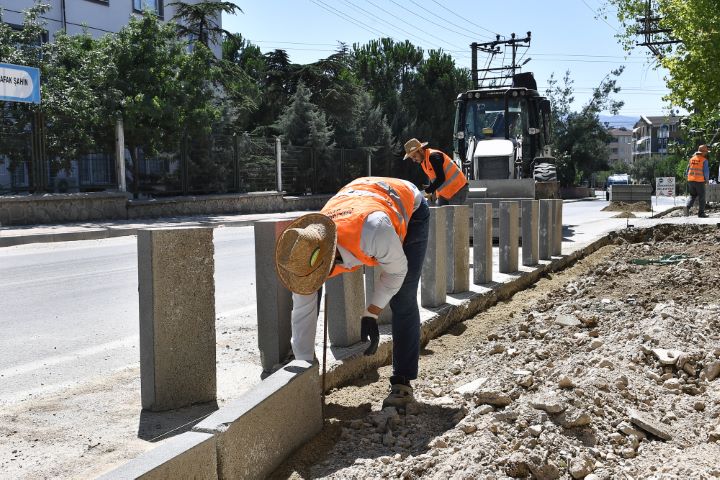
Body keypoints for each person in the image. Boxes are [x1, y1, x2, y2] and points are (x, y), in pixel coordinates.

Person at [275, 176, 429, 409]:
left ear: (332, 259)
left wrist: (372, 312)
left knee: (403, 297)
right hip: (359, 198)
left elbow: (396, 273)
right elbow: (302, 314)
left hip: (406, 204)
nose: (313, 281)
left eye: (317, 277)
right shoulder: (304, 254)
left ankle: (402, 384)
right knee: (306, 298)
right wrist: (305, 375)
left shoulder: (373, 232)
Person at [403, 138, 469, 206]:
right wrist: (431, 192)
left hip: (458, 189)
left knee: (453, 215)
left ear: (420, 150)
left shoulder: (433, 157)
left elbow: (441, 178)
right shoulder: (424, 162)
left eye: (414, 156)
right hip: (445, 193)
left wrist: (426, 192)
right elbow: (434, 179)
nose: (414, 160)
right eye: (412, 158)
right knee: (440, 215)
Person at [685, 144, 710, 218]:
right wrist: (707, 180)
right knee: (702, 197)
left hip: (690, 180)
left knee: (692, 195)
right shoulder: (704, 160)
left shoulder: (692, 159)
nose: (706, 153)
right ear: (703, 152)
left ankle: (686, 208)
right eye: (706, 152)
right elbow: (706, 172)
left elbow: (687, 170)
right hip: (699, 181)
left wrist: (688, 178)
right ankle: (701, 213)